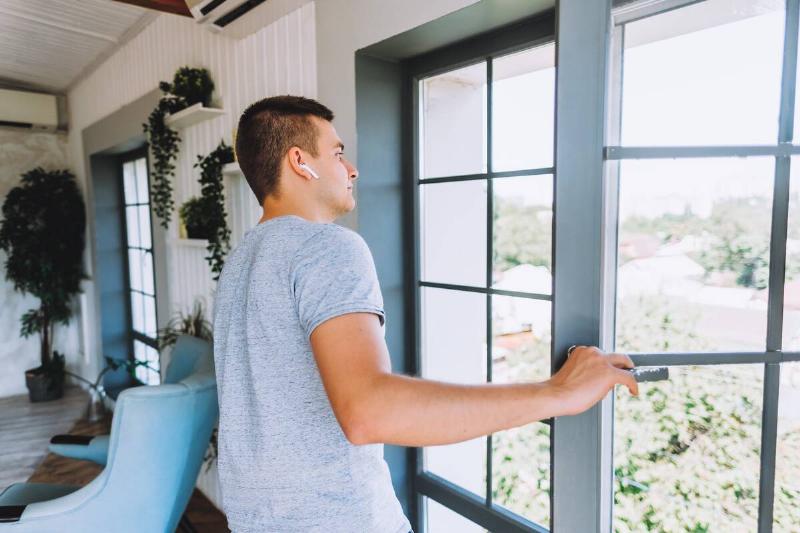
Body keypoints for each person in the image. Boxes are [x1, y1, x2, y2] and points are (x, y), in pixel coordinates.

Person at [212, 95, 639, 533]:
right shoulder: (326, 247)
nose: (352, 169)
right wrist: (558, 393)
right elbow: (368, 411)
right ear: (300, 162)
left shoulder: (239, 263)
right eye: (338, 154)